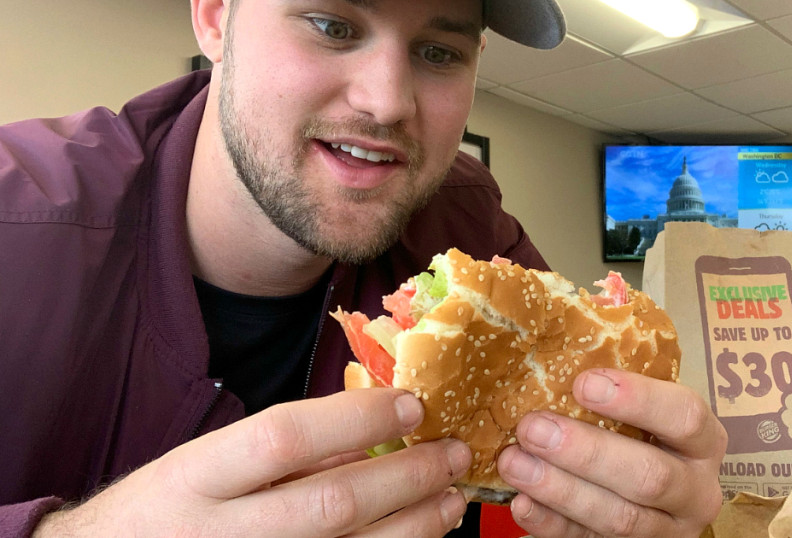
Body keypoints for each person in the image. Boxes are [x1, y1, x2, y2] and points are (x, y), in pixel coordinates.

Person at [0, 0, 727, 536]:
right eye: (332, 25)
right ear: (215, 17)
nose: (386, 102)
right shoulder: (17, 223)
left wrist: (647, 499)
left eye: (439, 52)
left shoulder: (467, 230)